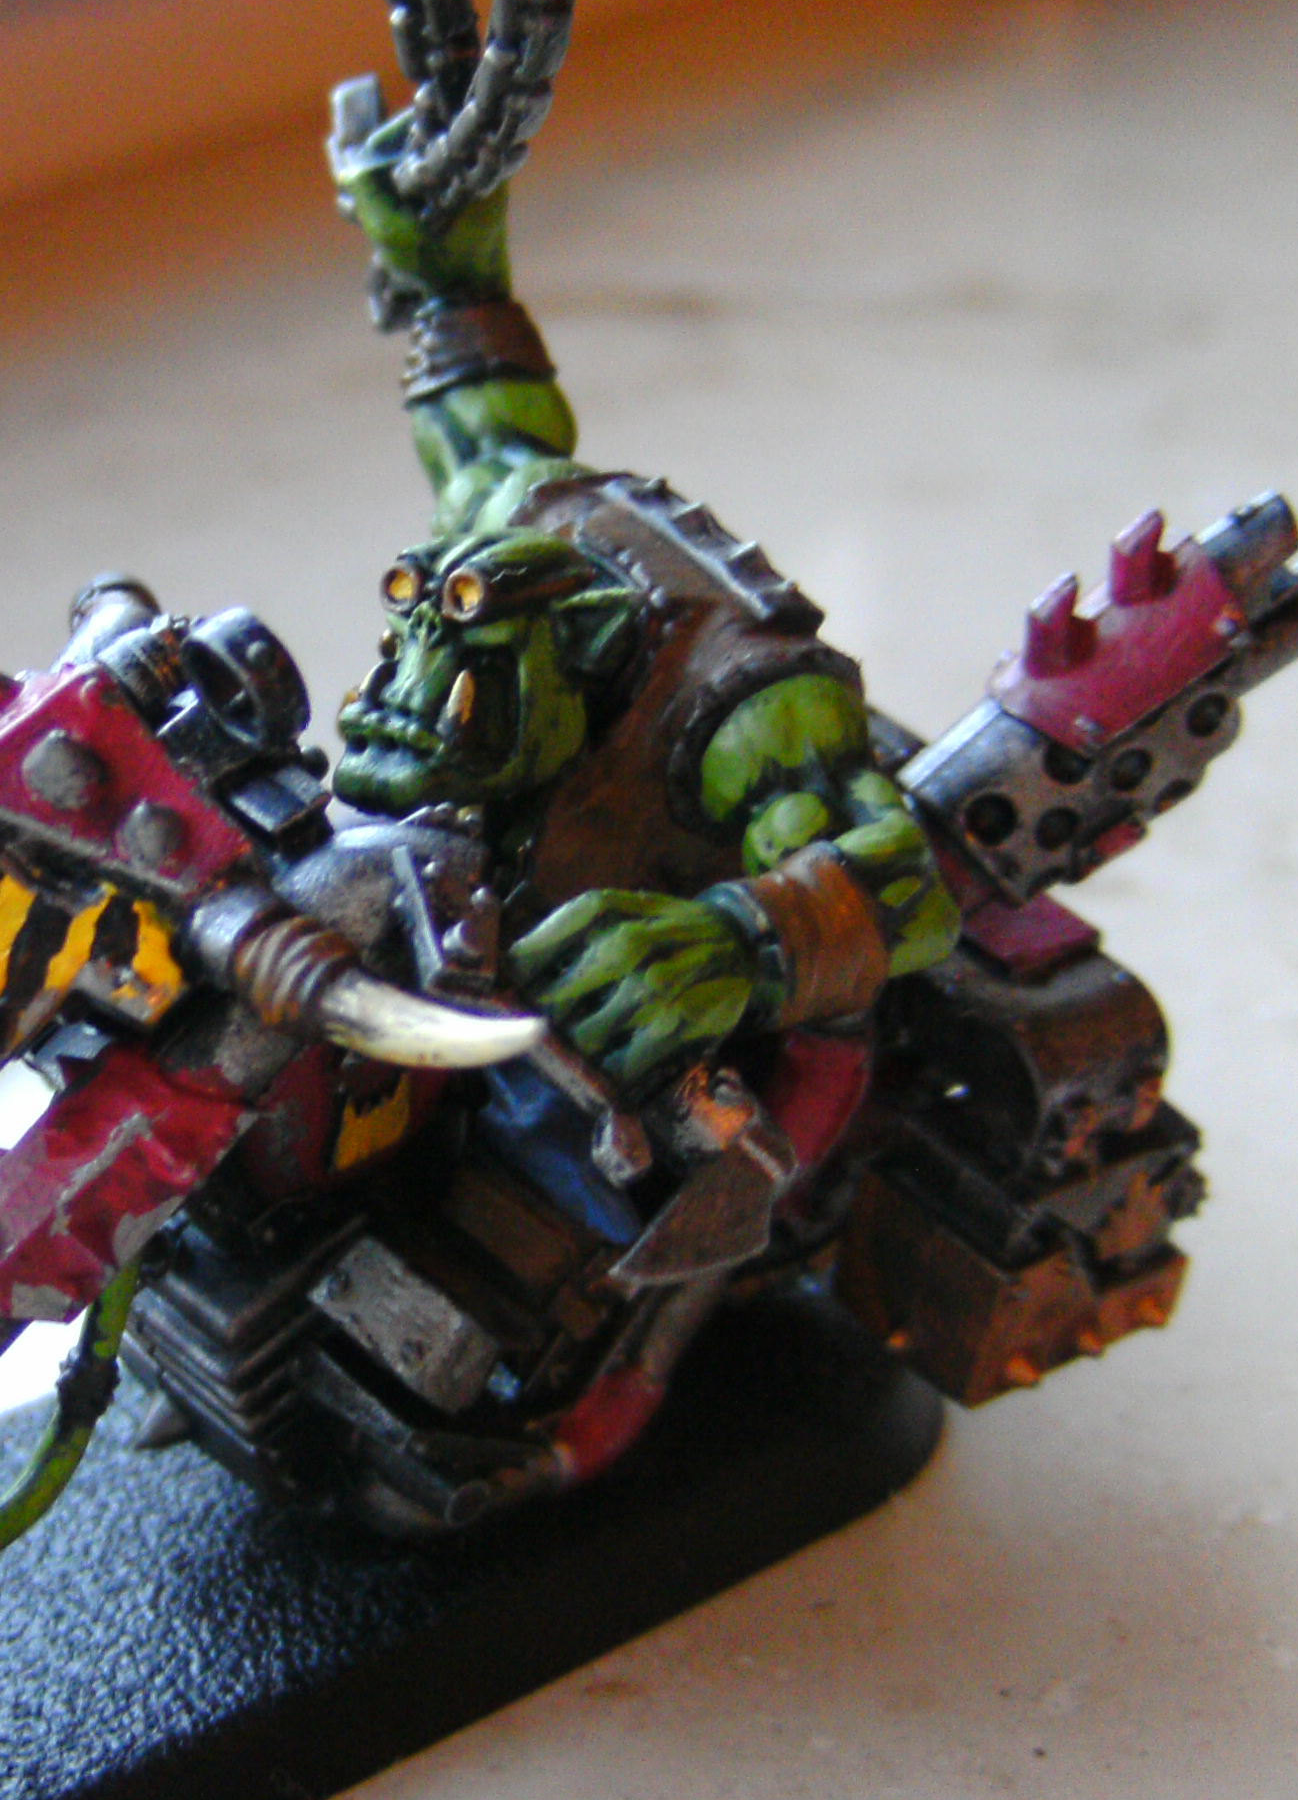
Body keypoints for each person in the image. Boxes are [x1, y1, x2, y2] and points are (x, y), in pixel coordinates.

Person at [321, 123, 961, 1092]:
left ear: (580, 647)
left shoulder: (751, 711)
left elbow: (910, 887)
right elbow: (487, 441)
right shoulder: (513, 512)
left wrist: (735, 943)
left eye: (475, 652)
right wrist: (455, 284)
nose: (415, 677)